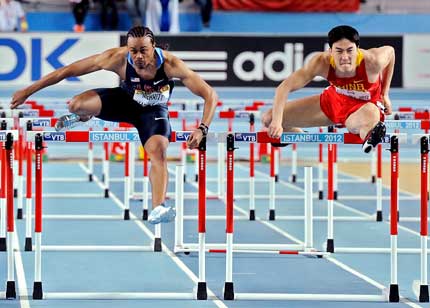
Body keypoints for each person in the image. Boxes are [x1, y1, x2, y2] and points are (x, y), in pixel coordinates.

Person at [10, 26, 218, 224]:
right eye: (133, 50)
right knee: (76, 104)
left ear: (153, 46)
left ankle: (158, 208)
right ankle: (83, 115)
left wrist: (202, 128)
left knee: (158, 151)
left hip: (152, 112)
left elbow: (210, 95)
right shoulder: (116, 58)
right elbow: (67, 71)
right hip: (123, 103)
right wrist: (28, 91)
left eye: (143, 51)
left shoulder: (171, 64)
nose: (138, 56)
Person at [262, 25, 395, 153]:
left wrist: (385, 94)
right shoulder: (321, 62)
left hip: (363, 108)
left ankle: (370, 134)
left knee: (369, 119)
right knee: (269, 118)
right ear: (330, 51)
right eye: (339, 51)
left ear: (357, 49)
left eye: (350, 50)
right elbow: (283, 88)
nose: (345, 57)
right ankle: (298, 133)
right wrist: (277, 122)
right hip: (333, 101)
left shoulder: (373, 60)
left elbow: (391, 52)